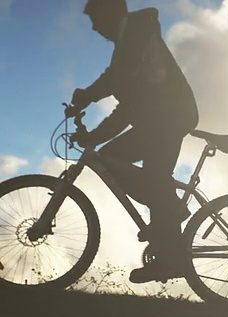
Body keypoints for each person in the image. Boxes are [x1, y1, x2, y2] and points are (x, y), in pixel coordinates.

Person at [70, 0, 199, 283]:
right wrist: (92, 130)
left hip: (169, 117)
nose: (94, 28)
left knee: (145, 173)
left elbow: (118, 77)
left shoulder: (138, 30)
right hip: (157, 119)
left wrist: (88, 97)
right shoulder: (129, 42)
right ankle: (169, 247)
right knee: (135, 170)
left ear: (110, 12)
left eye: (95, 19)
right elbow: (125, 103)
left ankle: (170, 211)